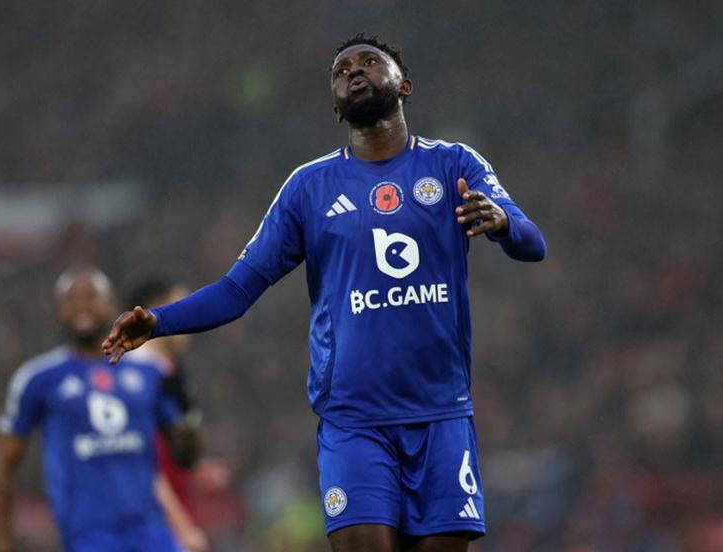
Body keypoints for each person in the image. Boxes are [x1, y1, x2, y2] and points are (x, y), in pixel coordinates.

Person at [103, 33, 546, 552]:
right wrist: (159, 322)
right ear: (336, 107)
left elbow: (532, 243)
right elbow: (238, 289)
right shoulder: (309, 188)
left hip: (442, 414)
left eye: (369, 63)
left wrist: (500, 223)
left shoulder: (454, 165)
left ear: (404, 85)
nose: (354, 71)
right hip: (355, 422)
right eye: (341, 70)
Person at [0, 268, 200, 552]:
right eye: (70, 299)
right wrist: (3, 543)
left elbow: (185, 455)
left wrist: (188, 417)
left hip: (152, 532)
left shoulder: (150, 373)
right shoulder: (38, 379)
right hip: (90, 537)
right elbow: (2, 467)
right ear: (58, 311)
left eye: (91, 297)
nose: (81, 306)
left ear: (112, 306)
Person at [127, 276, 214, 552]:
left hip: (170, 513)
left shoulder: (169, 370)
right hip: (149, 523)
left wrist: (196, 469)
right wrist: (181, 526)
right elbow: (137, 461)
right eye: (183, 305)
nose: (192, 316)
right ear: (155, 309)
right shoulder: (133, 378)